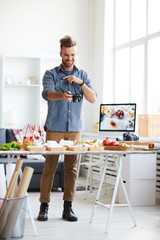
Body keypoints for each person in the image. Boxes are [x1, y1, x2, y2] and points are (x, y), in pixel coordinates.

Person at [37, 35, 97, 222]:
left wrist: (80, 83)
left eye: (72, 54)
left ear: (75, 53)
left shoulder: (83, 75)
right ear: (60, 53)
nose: (69, 58)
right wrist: (61, 95)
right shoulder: (51, 74)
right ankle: (44, 207)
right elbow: (46, 94)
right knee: (50, 168)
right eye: (66, 54)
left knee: (71, 169)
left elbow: (93, 98)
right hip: (54, 128)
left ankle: (67, 208)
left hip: (75, 129)